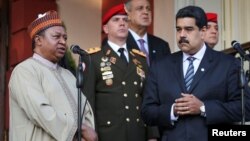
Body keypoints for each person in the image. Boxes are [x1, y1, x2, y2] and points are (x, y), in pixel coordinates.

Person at [141, 5, 243, 141]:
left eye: (188, 29)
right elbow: (147, 112)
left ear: (203, 31)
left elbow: (244, 108)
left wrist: (203, 107)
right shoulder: (160, 66)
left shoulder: (228, 64)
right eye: (178, 29)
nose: (182, 34)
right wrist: (172, 110)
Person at [8, 10, 97, 141]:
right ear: (38, 40)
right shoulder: (24, 71)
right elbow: (41, 111)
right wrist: (80, 129)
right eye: (56, 37)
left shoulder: (68, 75)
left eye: (65, 38)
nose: (63, 42)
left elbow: (86, 111)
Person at [82, 3, 157, 141]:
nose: (122, 23)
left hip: (137, 133)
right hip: (108, 134)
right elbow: (87, 101)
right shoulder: (93, 58)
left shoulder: (140, 59)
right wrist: (89, 133)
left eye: (125, 20)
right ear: (106, 28)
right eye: (116, 20)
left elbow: (148, 99)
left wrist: (152, 135)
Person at [124, 0, 171, 66]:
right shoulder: (119, 42)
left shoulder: (161, 45)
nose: (146, 12)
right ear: (128, 14)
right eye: (140, 8)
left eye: (148, 9)